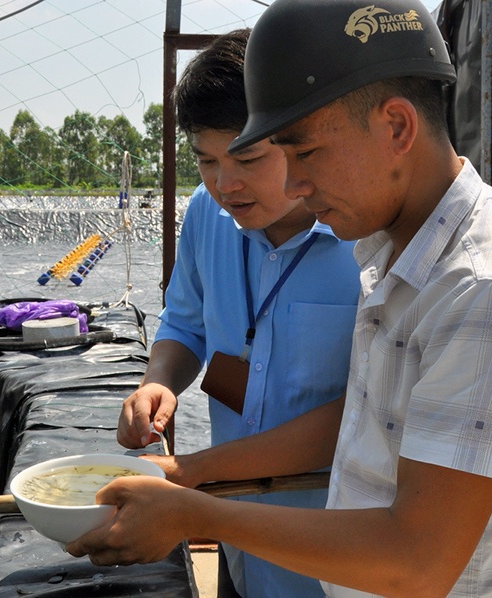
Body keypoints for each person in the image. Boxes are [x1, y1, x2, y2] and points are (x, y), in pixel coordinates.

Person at [70, 1, 492, 596]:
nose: (292, 186)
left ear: (396, 126)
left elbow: (417, 561)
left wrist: (195, 508)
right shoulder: (391, 255)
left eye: (305, 152)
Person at [114, 29, 361, 598]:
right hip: (233, 531)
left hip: (331, 546)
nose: (226, 185)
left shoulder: (365, 241)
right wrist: (158, 383)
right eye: (206, 161)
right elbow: (186, 322)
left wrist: (198, 471)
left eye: (248, 158)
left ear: (304, 142)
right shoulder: (207, 215)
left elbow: (366, 412)